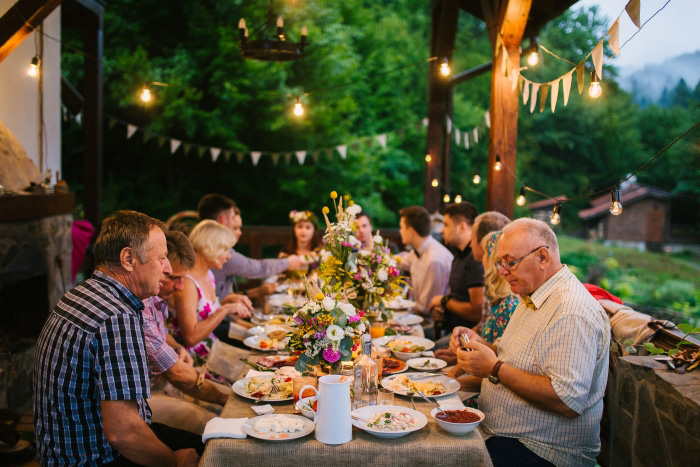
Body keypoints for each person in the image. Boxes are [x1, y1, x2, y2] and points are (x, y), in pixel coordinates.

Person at [33, 210, 200, 466]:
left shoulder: (80, 294)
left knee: (200, 441)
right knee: (209, 450)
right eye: (162, 257)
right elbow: (123, 433)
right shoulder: (117, 316)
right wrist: (173, 462)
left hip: (58, 454)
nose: (168, 268)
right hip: (95, 458)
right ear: (128, 258)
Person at [450, 218, 610, 467]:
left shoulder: (570, 312)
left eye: (509, 262)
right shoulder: (533, 293)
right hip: (506, 436)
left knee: (438, 457)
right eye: (500, 263)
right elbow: (507, 353)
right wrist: (477, 343)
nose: (502, 271)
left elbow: (567, 400)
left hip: (543, 452)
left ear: (543, 257)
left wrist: (494, 368)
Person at [143, 231, 229, 408]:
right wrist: (226, 400)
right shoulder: (143, 301)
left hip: (176, 374)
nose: (181, 286)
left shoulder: (157, 297)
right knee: (220, 409)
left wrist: (176, 347)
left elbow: (161, 333)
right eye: (174, 278)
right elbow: (177, 374)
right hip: (151, 394)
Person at [169, 220, 251, 366]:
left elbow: (205, 310)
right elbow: (191, 338)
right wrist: (225, 310)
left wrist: (229, 301)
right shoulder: (188, 284)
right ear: (210, 247)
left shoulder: (209, 274)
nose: (229, 256)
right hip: (193, 359)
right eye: (225, 249)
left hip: (214, 348)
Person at [434, 210, 511, 364]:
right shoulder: (462, 257)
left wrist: (444, 302)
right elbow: (484, 325)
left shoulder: (507, 298)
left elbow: (499, 356)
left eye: (473, 237)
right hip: (466, 338)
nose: (470, 241)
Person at [197, 194, 306, 302]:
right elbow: (257, 268)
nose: (239, 232)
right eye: (232, 219)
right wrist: (288, 262)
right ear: (223, 220)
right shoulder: (218, 252)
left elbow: (220, 299)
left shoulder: (203, 244)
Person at [428, 202, 484, 336]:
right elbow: (458, 297)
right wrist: (443, 310)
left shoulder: (475, 259)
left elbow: (476, 313)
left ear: (462, 227)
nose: (441, 230)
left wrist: (444, 301)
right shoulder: (459, 254)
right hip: (449, 326)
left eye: (446, 225)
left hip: (466, 335)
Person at [397, 205, 453, 316]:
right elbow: (400, 260)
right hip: (417, 314)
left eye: (401, 227)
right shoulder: (419, 250)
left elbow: (426, 308)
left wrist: (396, 306)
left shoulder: (434, 260)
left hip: (432, 325)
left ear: (411, 231)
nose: (400, 231)